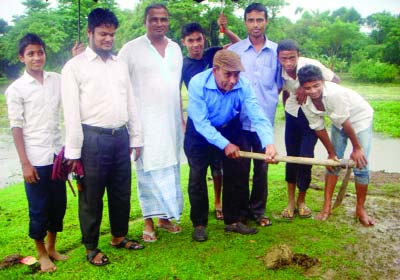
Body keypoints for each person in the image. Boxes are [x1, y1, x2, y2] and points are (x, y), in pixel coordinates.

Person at [61, 8, 144, 266]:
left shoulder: (119, 64)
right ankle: (91, 247)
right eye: (102, 34)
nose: (108, 39)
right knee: (91, 196)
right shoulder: (74, 67)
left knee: (121, 191)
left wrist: (136, 138)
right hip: (92, 140)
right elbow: (71, 114)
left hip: (120, 137)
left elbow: (131, 102)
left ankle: (119, 236)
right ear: (89, 33)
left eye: (111, 34)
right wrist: (73, 154)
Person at [185, 49, 277, 242]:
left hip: (228, 126)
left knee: (236, 172)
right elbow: (201, 123)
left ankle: (233, 220)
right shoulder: (197, 83)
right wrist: (224, 144)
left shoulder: (243, 85)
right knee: (197, 177)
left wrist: (268, 143)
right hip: (200, 133)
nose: (233, 80)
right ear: (215, 70)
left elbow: (257, 115)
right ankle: (199, 224)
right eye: (228, 74)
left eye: (237, 74)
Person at [118, 3, 184, 243]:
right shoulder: (131, 49)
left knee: (170, 168)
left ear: (168, 22)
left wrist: (181, 117)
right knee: (147, 170)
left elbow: (175, 87)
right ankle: (148, 222)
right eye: (153, 19)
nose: (159, 24)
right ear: (145, 21)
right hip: (143, 122)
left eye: (163, 19)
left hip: (171, 122)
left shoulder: (176, 49)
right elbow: (118, 84)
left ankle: (164, 219)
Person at [5, 33, 67, 272]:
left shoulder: (56, 79)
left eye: (40, 52)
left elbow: (73, 80)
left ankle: (52, 248)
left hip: (55, 155)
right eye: (30, 53)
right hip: (34, 157)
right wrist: (24, 164)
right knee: (39, 208)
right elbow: (16, 126)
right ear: (22, 57)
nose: (37, 57)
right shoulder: (16, 89)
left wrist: (74, 58)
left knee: (58, 205)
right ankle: (41, 254)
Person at [297, 64, 375, 227]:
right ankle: (327, 206)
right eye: (308, 88)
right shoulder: (304, 100)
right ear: (303, 88)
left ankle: (360, 209)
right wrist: (331, 153)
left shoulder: (334, 94)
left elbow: (346, 121)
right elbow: (318, 127)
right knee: (332, 164)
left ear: (323, 82)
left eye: (316, 85)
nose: (313, 91)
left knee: (361, 165)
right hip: (339, 122)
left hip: (360, 119)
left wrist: (357, 148)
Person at [180, 17, 240, 221]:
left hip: (220, 124)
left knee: (219, 168)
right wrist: (182, 120)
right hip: (198, 124)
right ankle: (199, 221)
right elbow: (174, 93)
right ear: (184, 42)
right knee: (197, 174)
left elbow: (239, 46)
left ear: (203, 39)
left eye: (199, 39)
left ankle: (218, 202)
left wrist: (226, 29)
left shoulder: (214, 54)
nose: (196, 44)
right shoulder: (182, 65)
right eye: (191, 41)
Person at [228, 3, 281, 227]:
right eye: (251, 20)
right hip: (239, 120)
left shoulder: (277, 52)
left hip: (263, 121)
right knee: (240, 167)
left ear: (266, 21)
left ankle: (258, 211)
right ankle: (239, 212)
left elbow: (278, 85)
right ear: (245, 22)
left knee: (262, 167)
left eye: (259, 20)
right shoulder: (235, 51)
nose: (255, 25)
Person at [277, 39, 341, 219]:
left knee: (306, 157)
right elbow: (283, 90)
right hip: (292, 113)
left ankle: (301, 200)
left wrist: (308, 90)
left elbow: (336, 80)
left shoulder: (311, 65)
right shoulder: (278, 69)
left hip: (311, 116)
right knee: (291, 157)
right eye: (284, 59)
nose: (288, 63)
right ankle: (290, 201)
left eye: (292, 58)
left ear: (299, 55)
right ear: (278, 58)